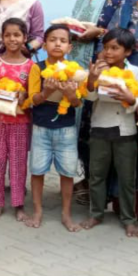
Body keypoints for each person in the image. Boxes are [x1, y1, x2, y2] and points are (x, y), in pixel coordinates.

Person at [70, 0, 138, 202]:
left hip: (103, 65)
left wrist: (97, 32)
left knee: (96, 126)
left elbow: (122, 34)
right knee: (79, 126)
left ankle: (107, 190)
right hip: (78, 65)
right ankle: (86, 180)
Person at [81, 28, 138, 238]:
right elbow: (89, 97)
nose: (108, 52)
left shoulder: (135, 71)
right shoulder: (98, 68)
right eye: (106, 47)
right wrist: (92, 79)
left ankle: (129, 220)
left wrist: (130, 98)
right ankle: (96, 214)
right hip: (100, 128)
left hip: (125, 131)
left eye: (114, 48)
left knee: (127, 178)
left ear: (127, 51)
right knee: (96, 175)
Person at [25, 24, 82, 232]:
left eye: (63, 41)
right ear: (44, 45)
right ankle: (37, 211)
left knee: (67, 172)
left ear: (69, 47)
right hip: (41, 127)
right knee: (37, 170)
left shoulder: (74, 70)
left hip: (66, 128)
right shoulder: (37, 68)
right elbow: (33, 99)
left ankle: (66, 213)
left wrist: (71, 95)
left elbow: (77, 103)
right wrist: (46, 92)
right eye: (52, 40)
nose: (57, 44)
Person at [0, 18, 33, 222]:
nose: (12, 39)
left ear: (25, 38)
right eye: (8, 35)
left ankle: (19, 205)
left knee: (18, 164)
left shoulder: (30, 66)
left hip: (20, 121)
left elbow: (33, 96)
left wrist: (24, 97)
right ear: (2, 38)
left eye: (17, 35)